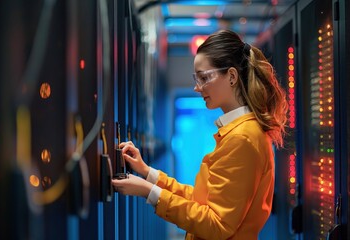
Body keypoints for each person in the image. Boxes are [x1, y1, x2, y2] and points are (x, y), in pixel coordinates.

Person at [112, 29, 288, 240]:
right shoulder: (239, 132)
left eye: (204, 78)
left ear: (231, 76)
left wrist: (149, 192)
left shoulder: (243, 138)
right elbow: (200, 200)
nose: (197, 88)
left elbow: (217, 225)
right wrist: (147, 173)